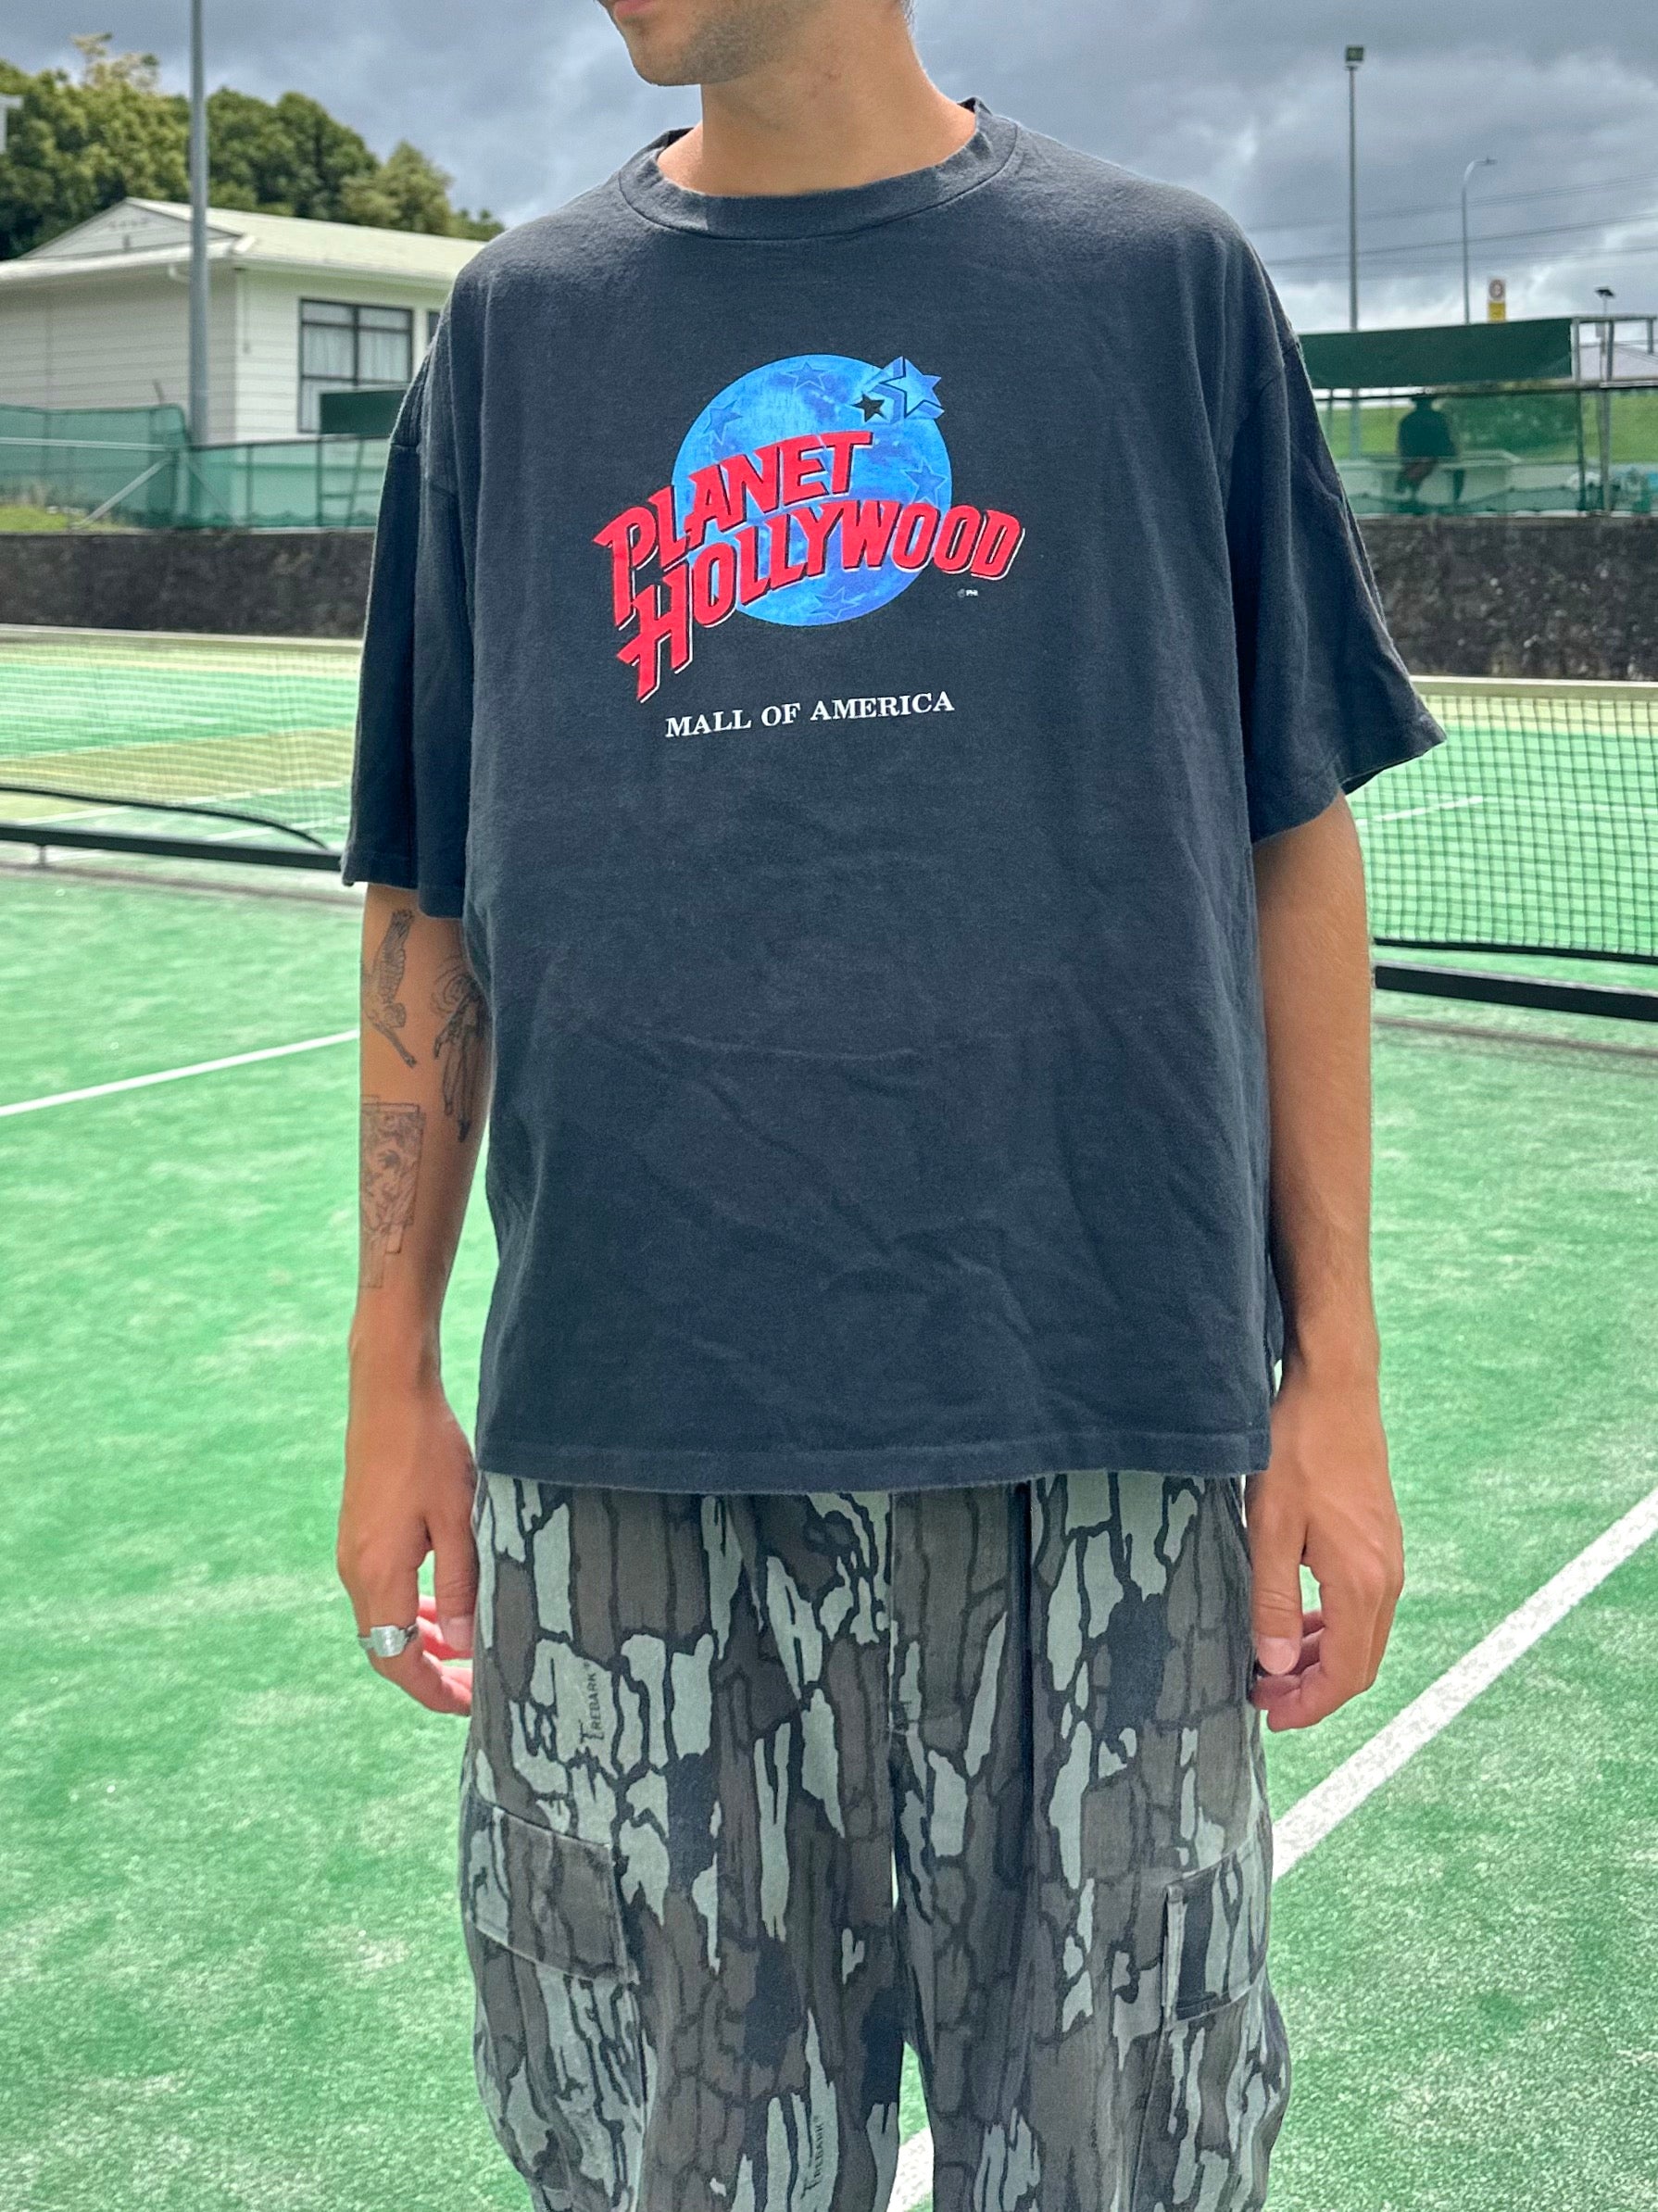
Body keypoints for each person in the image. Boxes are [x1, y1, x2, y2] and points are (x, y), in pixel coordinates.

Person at [335, 2, 1442, 2206]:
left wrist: (1335, 1370)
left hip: (1101, 1432)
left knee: (1124, 2166)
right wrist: (389, 1367)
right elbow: (426, 893)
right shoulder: (513, 339)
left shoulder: (1160, 289)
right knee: (655, 2167)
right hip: (624, 1449)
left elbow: (1287, 834)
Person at [1395, 392, 1462, 509]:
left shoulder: (1411, 420)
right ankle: (1454, 501)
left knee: (1458, 471)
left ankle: (1454, 501)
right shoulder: (1437, 418)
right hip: (1422, 458)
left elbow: (1403, 444)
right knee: (1457, 472)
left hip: (1432, 457)